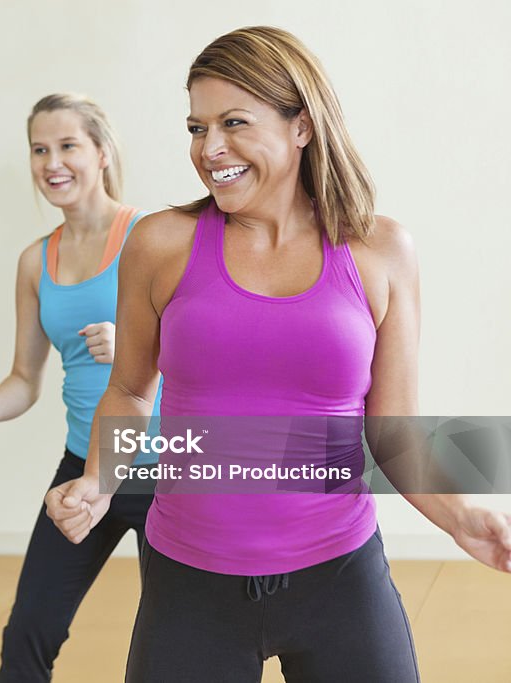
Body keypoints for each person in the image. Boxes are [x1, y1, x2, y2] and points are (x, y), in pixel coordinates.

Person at [44, 26, 511, 682]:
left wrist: (462, 517)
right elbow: (127, 389)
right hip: (188, 582)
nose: (210, 149)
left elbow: (392, 431)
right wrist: (99, 479)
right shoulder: (161, 244)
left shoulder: (380, 252)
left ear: (302, 126)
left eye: (234, 122)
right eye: (196, 126)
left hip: (339, 577)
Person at [0, 93, 159, 682]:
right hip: (82, 466)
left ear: (102, 152)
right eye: (40, 149)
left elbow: (207, 349)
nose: (51, 162)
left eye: (67, 145)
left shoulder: (151, 234)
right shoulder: (34, 262)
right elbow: (24, 379)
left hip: (167, 465)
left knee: (171, 650)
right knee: (27, 635)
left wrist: (138, 347)